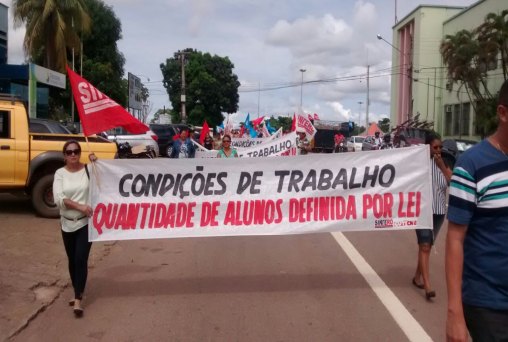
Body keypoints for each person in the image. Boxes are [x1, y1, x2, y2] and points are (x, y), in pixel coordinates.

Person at [446, 79, 508, 342]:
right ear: (503, 113)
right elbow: (455, 239)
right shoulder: (471, 164)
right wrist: (454, 313)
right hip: (488, 305)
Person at [52, 140, 96, 317]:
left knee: (80, 258)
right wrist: (80, 206)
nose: (73, 155)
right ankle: (77, 288)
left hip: (86, 223)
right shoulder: (59, 174)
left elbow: (106, 180)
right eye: (69, 152)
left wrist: (96, 163)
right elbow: (59, 198)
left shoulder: (88, 170)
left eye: (76, 151)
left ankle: (78, 299)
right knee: (71, 260)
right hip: (67, 222)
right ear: (64, 155)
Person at [412, 134, 452, 300]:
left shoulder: (445, 163)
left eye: (440, 147)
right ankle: (427, 286)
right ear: (427, 146)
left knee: (426, 245)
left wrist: (441, 165)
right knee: (425, 245)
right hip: (421, 210)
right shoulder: (418, 163)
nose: (438, 151)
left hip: (439, 211)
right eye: (435, 147)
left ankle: (416, 277)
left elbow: (452, 181)